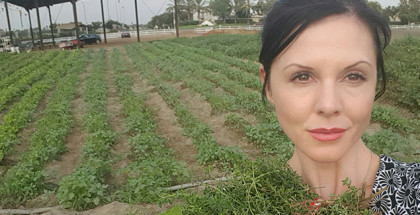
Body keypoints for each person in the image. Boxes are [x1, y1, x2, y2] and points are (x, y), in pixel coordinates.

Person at [258, 0, 419, 213]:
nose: (329, 105)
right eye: (302, 76)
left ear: (374, 84)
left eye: (354, 76)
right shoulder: (242, 202)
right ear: (268, 85)